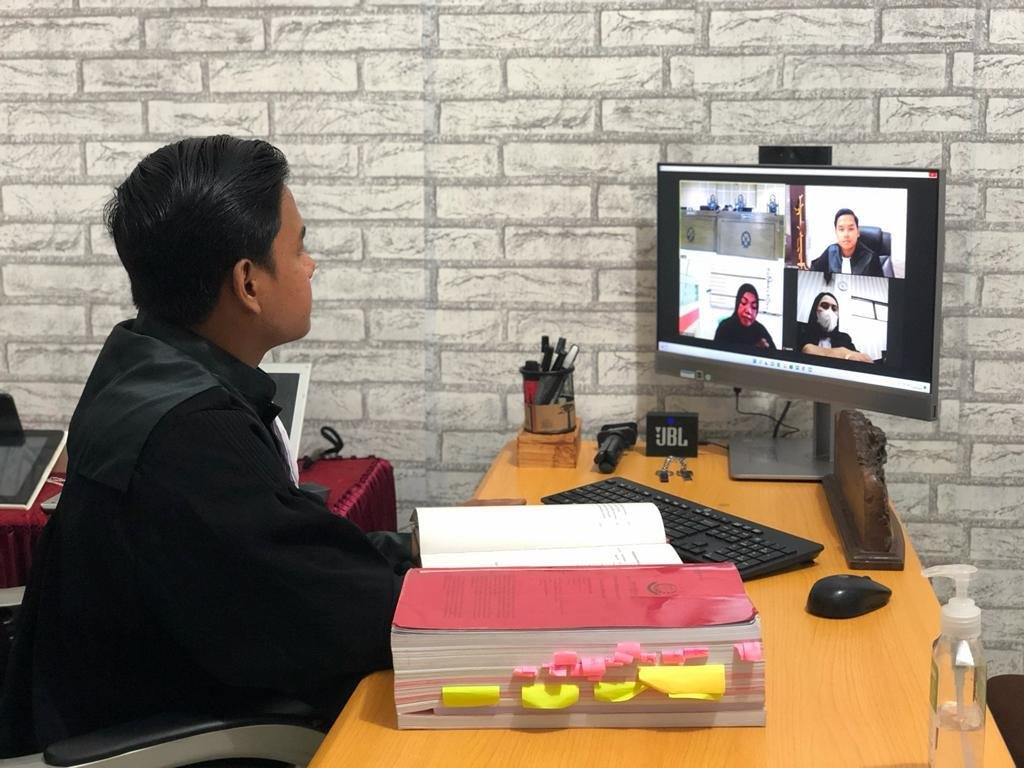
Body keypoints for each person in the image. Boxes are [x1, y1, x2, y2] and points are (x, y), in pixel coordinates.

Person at [0, 136, 412, 756]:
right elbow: (341, 619)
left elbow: (289, 555)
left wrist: (428, 551)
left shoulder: (141, 362)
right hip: (167, 743)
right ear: (247, 283)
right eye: (297, 247)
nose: (310, 266)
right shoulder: (192, 434)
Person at [798, 291, 874, 363]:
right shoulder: (801, 330)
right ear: (815, 309)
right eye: (824, 306)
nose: (830, 311)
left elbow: (864, 359)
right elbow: (805, 350)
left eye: (834, 309)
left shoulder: (844, 338)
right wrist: (844, 354)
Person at [809, 208, 884, 277]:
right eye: (841, 229)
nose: (846, 234)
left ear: (858, 232)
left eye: (851, 229)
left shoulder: (871, 258)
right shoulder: (830, 251)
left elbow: (881, 285)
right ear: (836, 232)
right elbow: (812, 274)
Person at [713, 283, 776, 350]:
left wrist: (765, 351)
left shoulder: (760, 330)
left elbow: (775, 354)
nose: (749, 311)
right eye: (743, 302)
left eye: (754, 306)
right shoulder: (725, 327)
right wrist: (753, 349)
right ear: (737, 304)